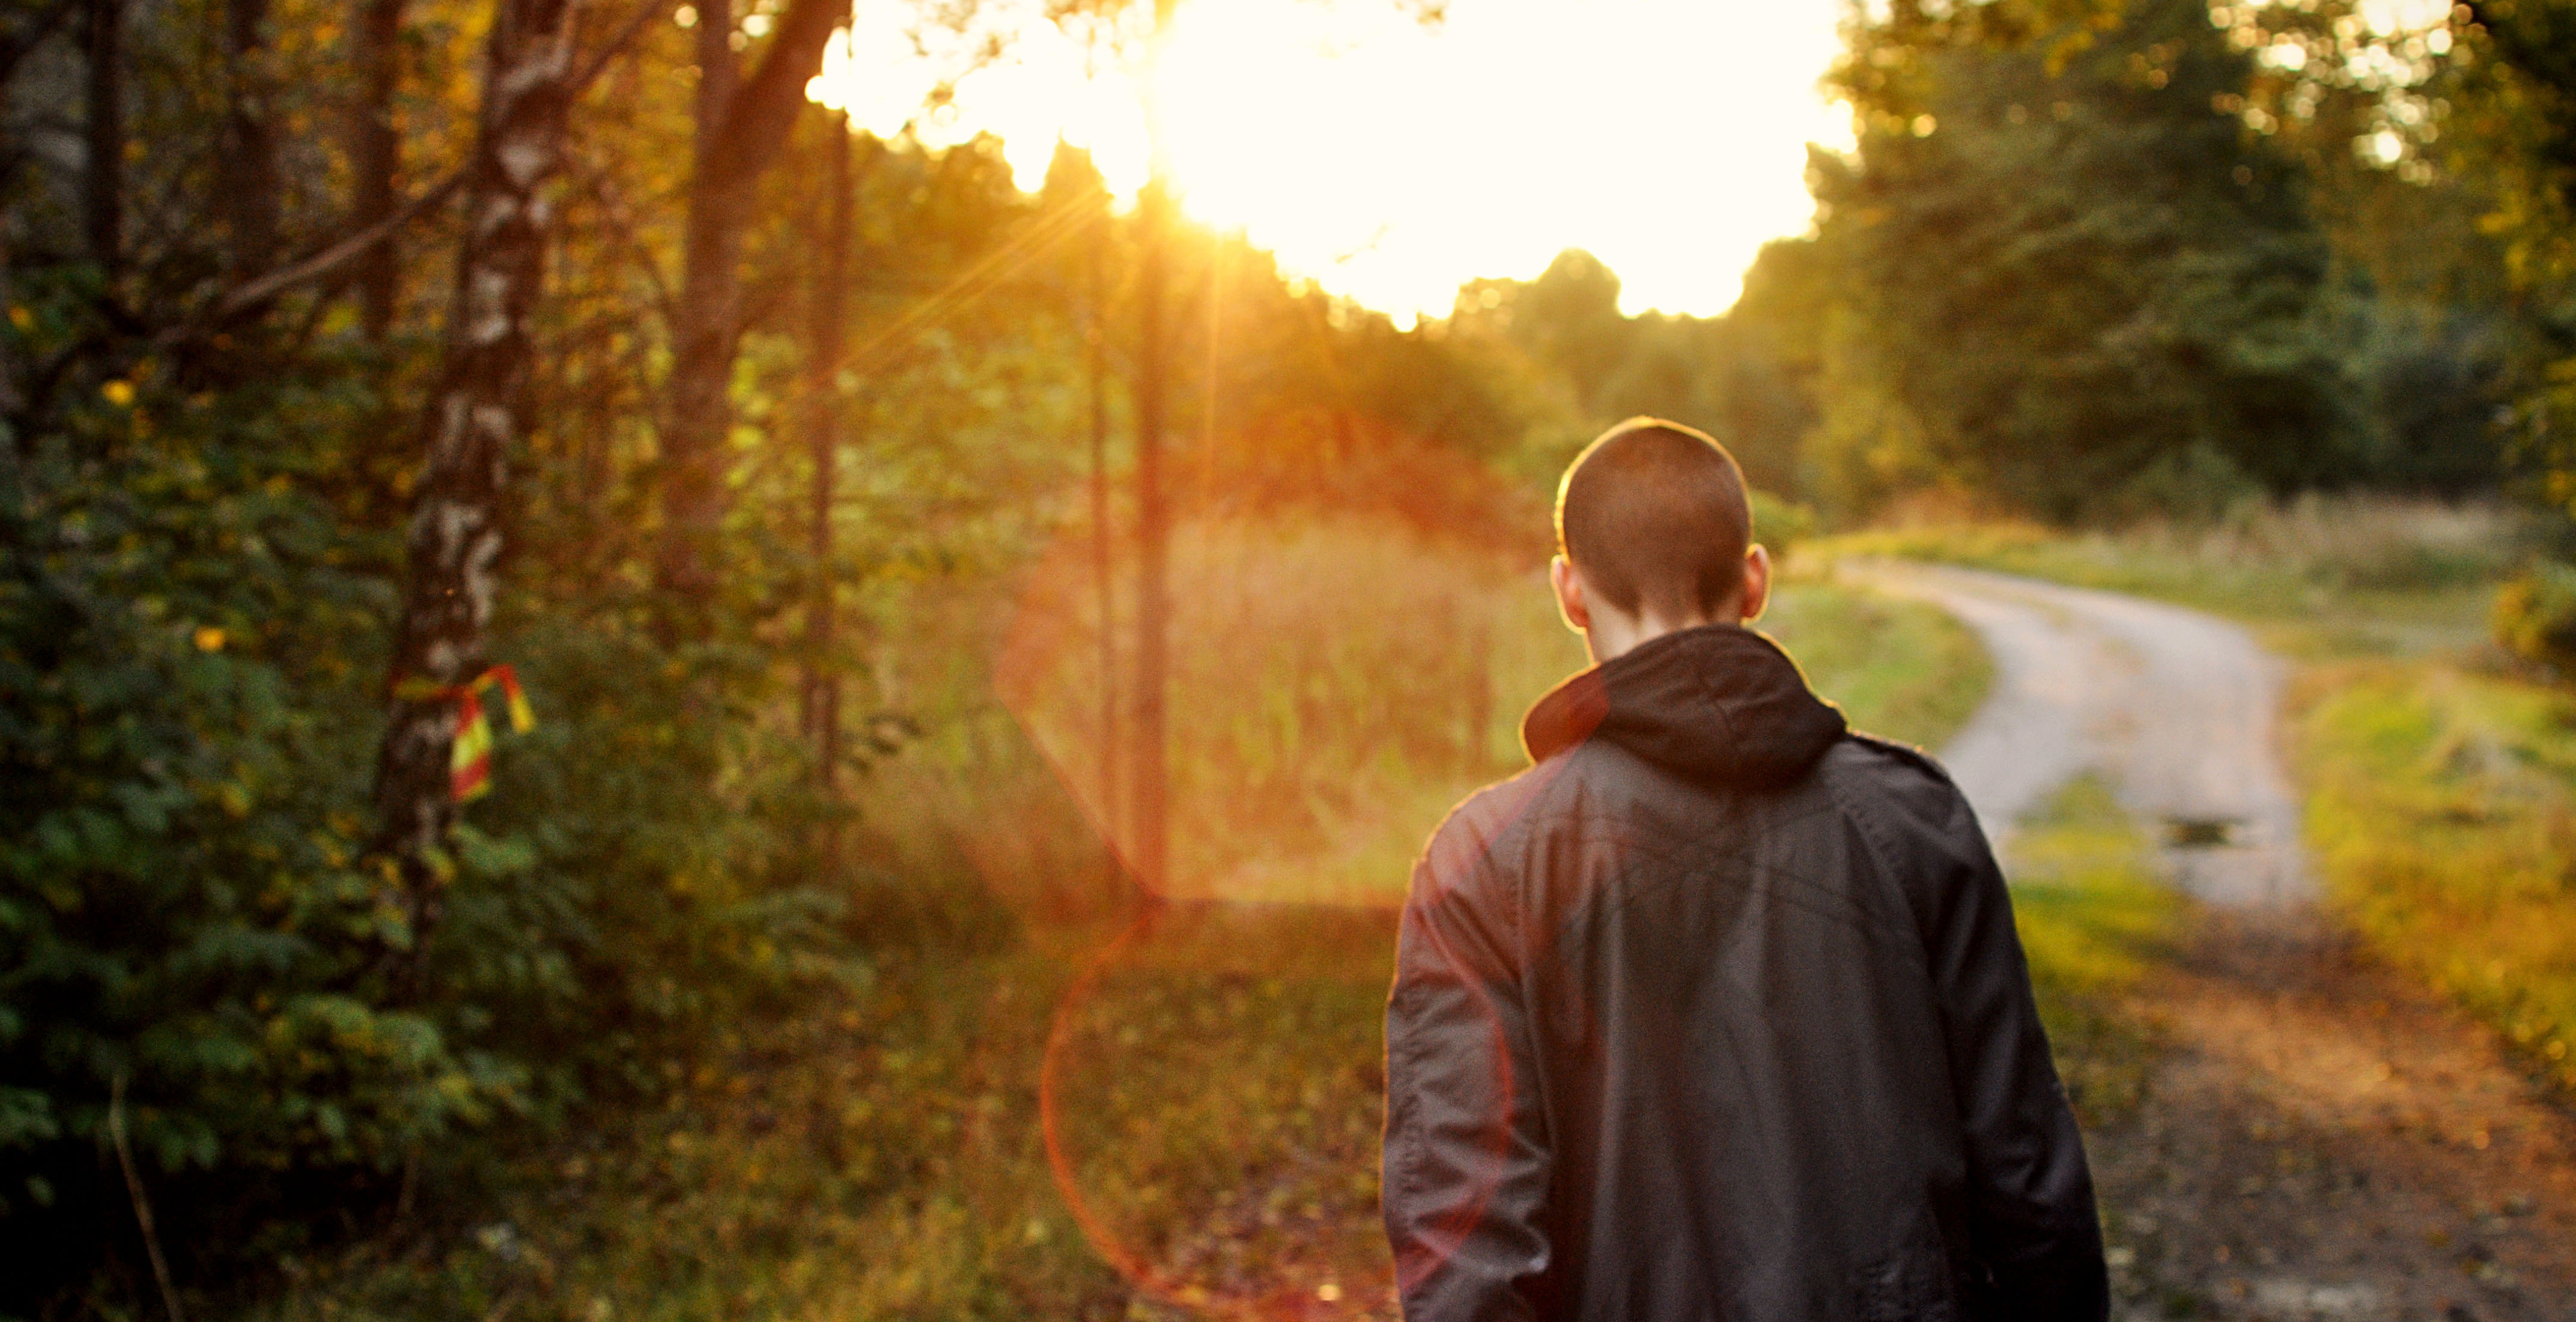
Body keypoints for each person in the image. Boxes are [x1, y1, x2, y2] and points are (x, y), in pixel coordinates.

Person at [1381, 418, 2108, 1321]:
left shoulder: (1483, 864)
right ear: (1755, 579)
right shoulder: (1916, 822)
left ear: (1570, 592)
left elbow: (1467, 1247)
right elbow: (2029, 1181)